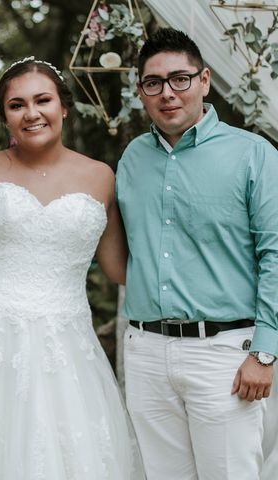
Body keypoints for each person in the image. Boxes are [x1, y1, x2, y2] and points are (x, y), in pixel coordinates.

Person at [0, 57, 145, 479]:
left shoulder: (100, 177)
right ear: (4, 116)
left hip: (65, 343)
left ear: (64, 107)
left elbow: (120, 268)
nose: (32, 113)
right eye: (17, 105)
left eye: (43, 100)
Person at [117, 28, 278, 480]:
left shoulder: (253, 154)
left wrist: (265, 352)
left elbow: (276, 255)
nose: (167, 93)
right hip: (146, 351)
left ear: (204, 80)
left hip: (224, 352)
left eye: (180, 79)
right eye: (153, 83)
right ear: (141, 91)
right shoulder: (131, 158)